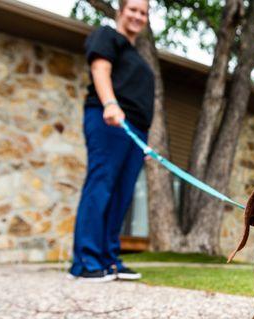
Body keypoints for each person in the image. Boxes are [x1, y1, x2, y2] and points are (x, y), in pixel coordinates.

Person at [68, 0, 153, 282]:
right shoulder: (107, 35)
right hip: (109, 119)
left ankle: (109, 259)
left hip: (135, 132)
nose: (138, 16)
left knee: (122, 196)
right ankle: (85, 261)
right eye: (133, 10)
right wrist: (110, 103)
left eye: (143, 12)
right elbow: (100, 69)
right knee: (101, 185)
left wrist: (145, 143)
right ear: (120, 11)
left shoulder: (137, 55)